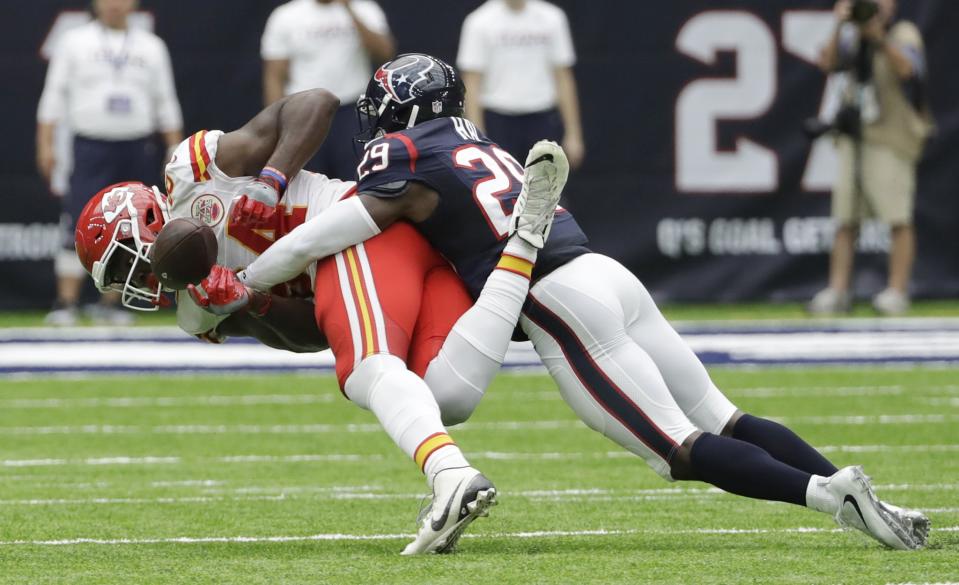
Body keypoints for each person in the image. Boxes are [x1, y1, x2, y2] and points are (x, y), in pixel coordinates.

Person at [225, 54, 929, 550]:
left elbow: (318, 239)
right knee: (722, 413)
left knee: (678, 451)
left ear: (400, 114)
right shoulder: (478, 142)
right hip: (603, 269)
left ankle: (830, 497)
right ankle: (851, 486)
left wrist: (246, 281)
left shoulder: (401, 159)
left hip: (555, 298)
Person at [73, 88, 568, 554]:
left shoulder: (195, 173)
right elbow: (313, 336)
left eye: (122, 264)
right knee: (445, 397)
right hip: (398, 262)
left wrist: (271, 179)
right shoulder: (193, 311)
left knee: (366, 369)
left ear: (144, 220)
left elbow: (318, 102)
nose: (131, 282)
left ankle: (451, 476)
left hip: (360, 229)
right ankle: (525, 241)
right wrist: (251, 303)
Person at [36, 0, 183, 326]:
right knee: (77, 218)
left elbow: (165, 100)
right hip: (91, 145)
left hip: (136, 144)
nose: (114, 4)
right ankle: (66, 302)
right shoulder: (76, 42)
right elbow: (53, 95)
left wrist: (174, 147)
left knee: (134, 227)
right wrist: (46, 143)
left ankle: (112, 303)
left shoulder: (151, 47)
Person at [807, 0, 933, 316]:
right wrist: (839, 24)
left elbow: (908, 69)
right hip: (855, 136)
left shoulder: (904, 32)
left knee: (897, 217)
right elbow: (828, 64)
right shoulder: (851, 35)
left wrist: (878, 37)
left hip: (891, 137)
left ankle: (896, 289)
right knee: (845, 218)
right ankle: (838, 289)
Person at [261, 0, 394, 179]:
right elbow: (274, 75)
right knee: (306, 181)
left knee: (358, 179)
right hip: (304, 113)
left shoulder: (364, 9)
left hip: (352, 112)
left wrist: (349, 9)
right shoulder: (286, 15)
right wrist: (277, 123)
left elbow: (384, 52)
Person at [457, 0, 584, 169]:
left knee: (545, 191)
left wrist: (574, 133)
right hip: (498, 121)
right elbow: (471, 82)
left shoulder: (552, 18)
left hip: (542, 120)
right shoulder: (479, 21)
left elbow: (563, 77)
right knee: (503, 191)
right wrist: (476, 137)